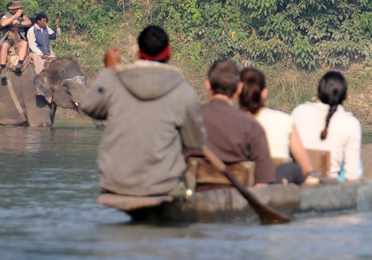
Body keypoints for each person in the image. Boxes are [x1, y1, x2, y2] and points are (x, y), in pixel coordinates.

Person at [81, 25, 206, 198]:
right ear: (169, 53)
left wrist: (109, 70)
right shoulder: (184, 92)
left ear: (138, 53)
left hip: (116, 182)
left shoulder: (115, 83)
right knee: (191, 182)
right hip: (162, 185)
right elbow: (194, 142)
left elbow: (88, 105)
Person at [183, 60, 276, 190]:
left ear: (208, 85)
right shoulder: (252, 126)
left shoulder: (188, 119)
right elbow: (262, 184)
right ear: (239, 88)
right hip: (239, 206)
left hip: (194, 204)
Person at [239, 67, 313, 184]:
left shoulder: (227, 122)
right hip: (276, 192)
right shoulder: (285, 120)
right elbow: (306, 168)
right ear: (264, 93)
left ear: (236, 92)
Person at [291, 71, 363, 182]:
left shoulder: (299, 111)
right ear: (345, 96)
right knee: (358, 164)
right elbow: (352, 176)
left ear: (318, 93)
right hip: (329, 190)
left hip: (298, 182)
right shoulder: (351, 122)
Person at [0, 1, 31, 79]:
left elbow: (29, 22)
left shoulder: (23, 16)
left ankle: (20, 63)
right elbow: (3, 23)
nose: (22, 10)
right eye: (20, 9)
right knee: (4, 46)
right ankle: (2, 68)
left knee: (24, 44)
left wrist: (19, 22)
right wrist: (14, 17)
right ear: (15, 9)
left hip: (19, 38)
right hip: (9, 38)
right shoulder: (7, 15)